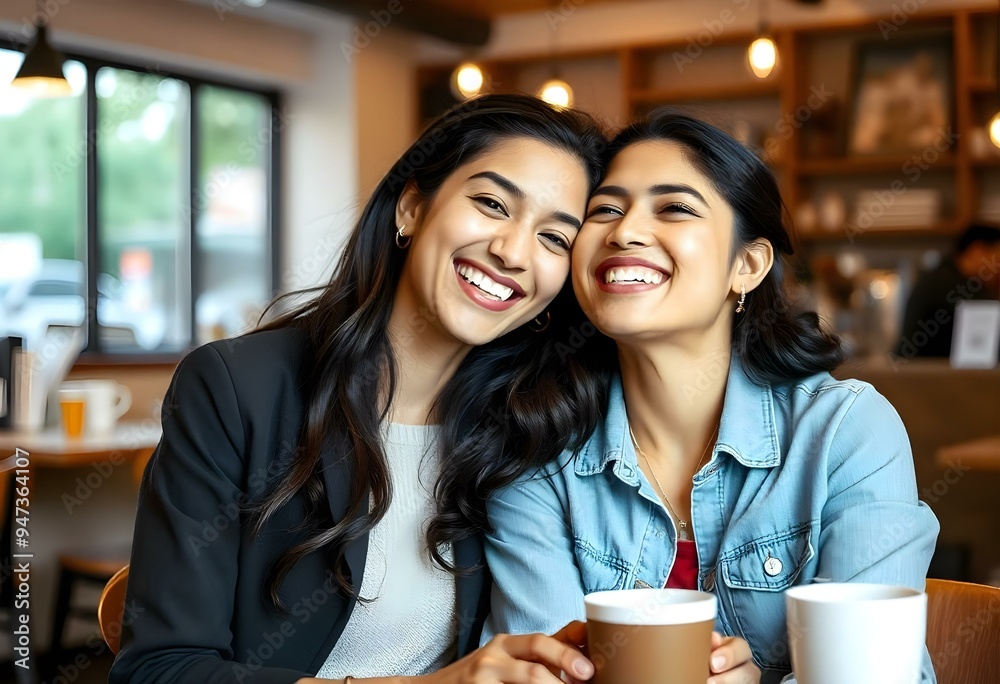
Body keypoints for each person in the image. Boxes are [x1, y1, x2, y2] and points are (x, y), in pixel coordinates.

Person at [109, 93, 610, 684]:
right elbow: (159, 671)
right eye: (491, 203)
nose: (513, 251)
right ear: (412, 208)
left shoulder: (525, 430)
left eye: (555, 239)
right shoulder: (237, 388)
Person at [484, 111, 940, 684]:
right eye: (605, 209)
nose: (624, 232)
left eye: (674, 208)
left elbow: (871, 675)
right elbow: (546, 672)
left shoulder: (845, 432)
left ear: (746, 266)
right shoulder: (537, 447)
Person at [897, 224, 1000, 359]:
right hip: (925, 376)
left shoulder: (942, 276)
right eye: (997, 260)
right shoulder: (952, 285)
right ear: (977, 250)